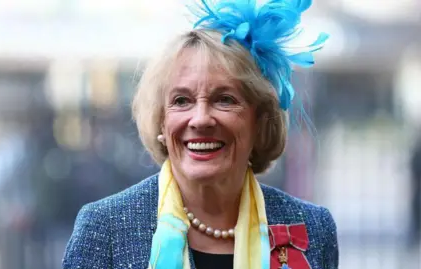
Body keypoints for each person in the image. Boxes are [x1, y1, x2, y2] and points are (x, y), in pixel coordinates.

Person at [63, 0, 338, 268]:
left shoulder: (313, 228)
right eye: (182, 101)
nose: (201, 119)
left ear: (260, 121)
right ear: (161, 122)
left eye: (225, 99)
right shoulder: (105, 228)